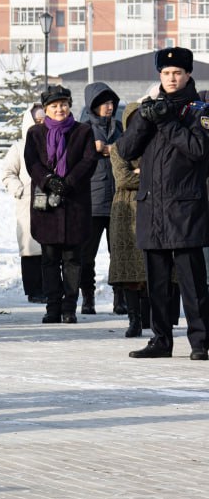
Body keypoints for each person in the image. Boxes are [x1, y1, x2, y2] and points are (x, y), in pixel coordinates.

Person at [117, 47, 209, 361]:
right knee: (156, 282)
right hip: (152, 207)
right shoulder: (149, 108)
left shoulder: (200, 111)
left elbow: (198, 150)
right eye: (166, 73)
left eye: (178, 73)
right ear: (160, 75)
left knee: (192, 281)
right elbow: (126, 150)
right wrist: (144, 120)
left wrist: (168, 122)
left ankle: (200, 342)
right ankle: (161, 340)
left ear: (187, 75)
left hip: (184, 208)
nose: (172, 78)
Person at [24, 85, 96, 324]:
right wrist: (49, 180)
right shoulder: (35, 133)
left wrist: (69, 182)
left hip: (75, 204)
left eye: (63, 104)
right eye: (54, 106)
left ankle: (69, 307)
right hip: (47, 205)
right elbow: (31, 162)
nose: (59, 109)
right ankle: (52, 306)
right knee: (50, 259)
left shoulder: (83, 131)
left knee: (73, 260)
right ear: (45, 110)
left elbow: (88, 160)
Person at [77, 82, 122, 316]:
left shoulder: (119, 127)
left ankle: (120, 299)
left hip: (117, 201)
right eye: (104, 103)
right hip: (91, 202)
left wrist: (110, 149)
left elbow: (127, 150)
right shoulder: (83, 128)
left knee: (119, 253)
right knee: (87, 256)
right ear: (93, 105)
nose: (109, 106)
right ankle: (88, 298)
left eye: (112, 102)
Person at [109, 103, 149, 338]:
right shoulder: (118, 148)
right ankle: (134, 319)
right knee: (129, 271)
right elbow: (123, 179)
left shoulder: (155, 145)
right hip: (126, 215)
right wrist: (147, 174)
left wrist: (142, 173)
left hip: (151, 209)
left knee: (151, 267)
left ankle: (152, 318)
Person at [2, 105, 46, 303]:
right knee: (30, 246)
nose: (41, 124)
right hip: (27, 200)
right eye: (37, 121)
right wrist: (19, 189)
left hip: (49, 199)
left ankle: (51, 287)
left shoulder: (53, 142)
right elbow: (8, 173)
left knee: (49, 246)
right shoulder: (19, 147)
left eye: (44, 120)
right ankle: (33, 289)